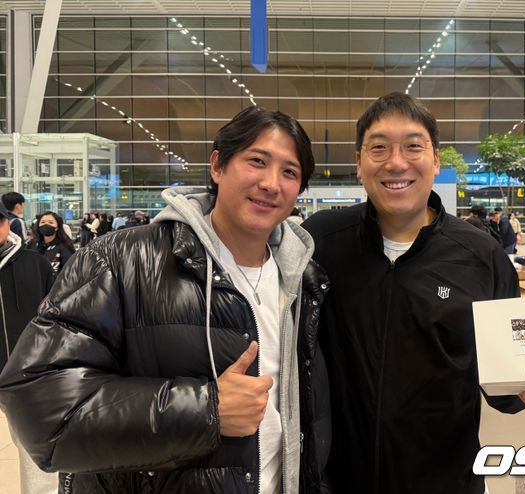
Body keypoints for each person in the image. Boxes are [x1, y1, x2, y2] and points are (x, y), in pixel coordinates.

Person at [0, 106, 330, 494]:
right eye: (257, 161)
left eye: (289, 172)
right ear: (218, 166)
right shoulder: (119, 260)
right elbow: (40, 408)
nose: (272, 183)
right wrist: (205, 410)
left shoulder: (304, 283)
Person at [302, 92, 525, 494]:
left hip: (446, 480)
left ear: (436, 160)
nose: (396, 163)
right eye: (379, 148)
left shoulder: (481, 256)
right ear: (359, 163)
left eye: (413, 146)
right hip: (339, 479)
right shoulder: (320, 242)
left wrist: (524, 389)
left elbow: (502, 382)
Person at [0, 201, 57, 494]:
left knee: (34, 446)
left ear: (6, 224)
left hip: (28, 372)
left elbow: (57, 316)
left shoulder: (36, 264)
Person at [31, 211, 76, 276]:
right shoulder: (32, 245)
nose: (46, 224)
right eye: (42, 222)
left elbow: (71, 271)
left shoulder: (65, 246)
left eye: (51, 222)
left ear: (57, 227)